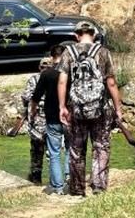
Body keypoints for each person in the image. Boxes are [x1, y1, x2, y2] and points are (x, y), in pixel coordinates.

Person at [57, 21, 122, 197]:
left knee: (76, 150)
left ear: (76, 35)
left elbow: (62, 81)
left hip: (76, 109)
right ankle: (99, 187)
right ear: (93, 34)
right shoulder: (103, 52)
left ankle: (77, 189)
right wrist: (118, 108)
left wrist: (62, 106)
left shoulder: (68, 52)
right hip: (100, 109)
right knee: (101, 147)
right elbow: (111, 82)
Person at [30, 45, 69, 195]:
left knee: (54, 152)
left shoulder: (46, 74)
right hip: (70, 116)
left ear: (52, 57)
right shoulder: (70, 72)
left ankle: (57, 186)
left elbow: (36, 96)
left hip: (52, 117)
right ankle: (69, 179)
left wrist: (33, 112)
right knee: (71, 149)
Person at [21, 57, 52, 185]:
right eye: (43, 67)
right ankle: (39, 178)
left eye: (46, 67)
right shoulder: (56, 77)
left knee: (45, 151)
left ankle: (41, 179)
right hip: (43, 121)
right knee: (41, 151)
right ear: (39, 68)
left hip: (45, 120)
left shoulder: (34, 80)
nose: (44, 69)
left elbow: (26, 97)